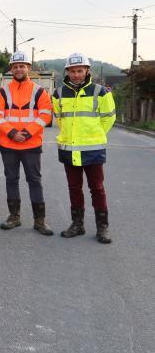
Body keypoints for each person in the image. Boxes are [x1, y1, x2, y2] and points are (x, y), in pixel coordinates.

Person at [53, 53, 116, 243]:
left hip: (92, 149)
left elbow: (109, 118)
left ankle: (102, 228)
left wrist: (94, 134)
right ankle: (77, 225)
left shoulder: (101, 92)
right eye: (72, 71)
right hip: (68, 149)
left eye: (80, 70)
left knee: (97, 188)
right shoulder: (59, 93)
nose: (76, 74)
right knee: (74, 188)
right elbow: (59, 119)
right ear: (67, 72)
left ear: (87, 71)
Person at [0, 50, 54, 235]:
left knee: (34, 181)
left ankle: (40, 221)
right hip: (9, 144)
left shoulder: (39, 91)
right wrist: (12, 133)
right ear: (11, 69)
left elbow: (45, 115)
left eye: (22, 66)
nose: (19, 69)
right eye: (15, 66)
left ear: (28, 68)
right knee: (11, 180)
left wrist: (26, 133)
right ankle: (14, 217)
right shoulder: (2, 92)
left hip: (31, 145)